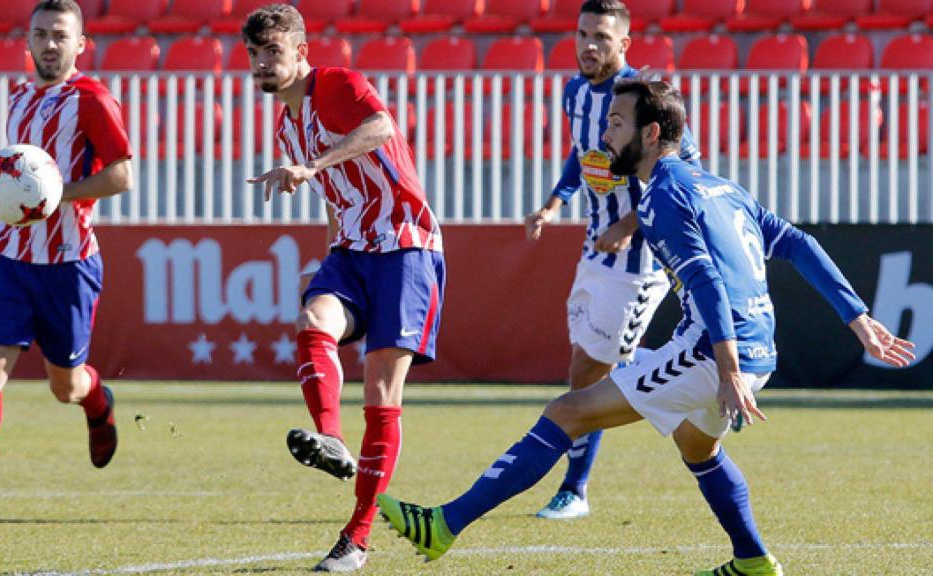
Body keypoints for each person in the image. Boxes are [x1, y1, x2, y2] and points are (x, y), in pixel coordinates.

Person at [377, 79, 916, 575]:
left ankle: (444, 525)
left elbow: (705, 280)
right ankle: (752, 560)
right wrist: (858, 318)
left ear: (652, 133)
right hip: (756, 350)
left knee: (567, 412)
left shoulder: (661, 195)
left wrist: (725, 369)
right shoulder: (723, 188)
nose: (606, 132)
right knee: (697, 447)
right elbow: (799, 243)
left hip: (715, 351)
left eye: (616, 122)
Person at [243, 5, 445, 572]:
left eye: (273, 52)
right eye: (255, 54)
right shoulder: (286, 122)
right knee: (314, 324)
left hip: (407, 247)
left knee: (380, 394)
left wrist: (311, 165)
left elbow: (382, 127)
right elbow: (337, 193)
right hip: (352, 250)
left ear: (301, 52)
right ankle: (330, 439)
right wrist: (330, 243)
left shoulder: (338, 85)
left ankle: (356, 538)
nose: (262, 63)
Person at [0, 0, 132, 522]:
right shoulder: (19, 97)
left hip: (68, 263)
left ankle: (97, 403)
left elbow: (121, 175)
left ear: (79, 45)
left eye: (60, 35)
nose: (49, 44)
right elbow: (16, 173)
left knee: (64, 386)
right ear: (27, 40)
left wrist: (57, 196)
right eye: (40, 34)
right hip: (11, 259)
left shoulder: (92, 99)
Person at [524, 0, 700, 520]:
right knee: (599, 361)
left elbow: (686, 176)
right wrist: (554, 203)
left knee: (587, 374)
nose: (588, 45)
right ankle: (693, 384)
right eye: (582, 34)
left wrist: (631, 223)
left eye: (601, 36)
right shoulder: (575, 92)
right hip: (594, 247)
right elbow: (584, 156)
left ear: (624, 44)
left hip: (640, 259)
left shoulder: (648, 102)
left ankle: (574, 490)